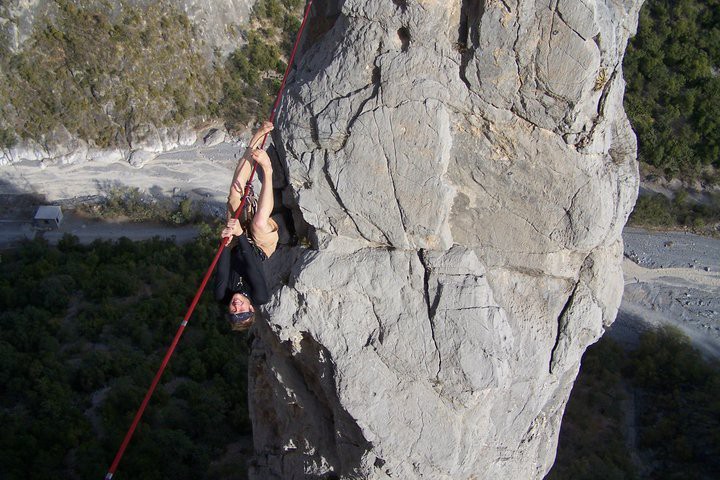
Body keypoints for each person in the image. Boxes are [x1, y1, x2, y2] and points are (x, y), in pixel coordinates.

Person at [214, 122, 278, 331]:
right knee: (259, 222)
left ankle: (255, 141)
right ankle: (267, 170)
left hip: (235, 245)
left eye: (234, 311)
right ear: (251, 307)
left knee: (235, 193)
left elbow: (223, 266)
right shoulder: (261, 295)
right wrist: (241, 235)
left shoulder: (222, 295)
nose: (237, 306)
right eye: (243, 310)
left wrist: (225, 240)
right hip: (260, 247)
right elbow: (251, 263)